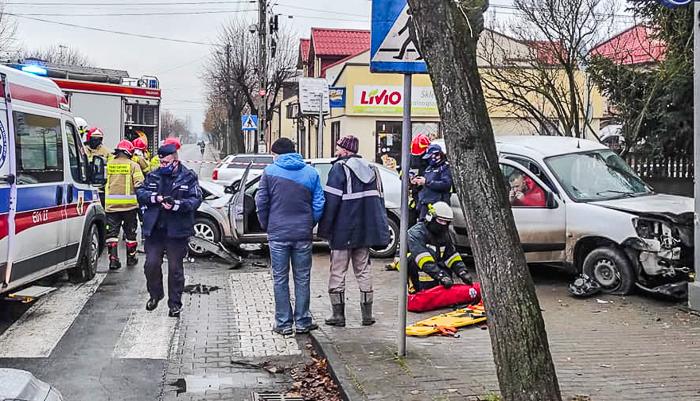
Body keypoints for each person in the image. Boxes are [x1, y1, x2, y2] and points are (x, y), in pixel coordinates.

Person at [318, 135, 390, 327]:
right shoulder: (372, 169)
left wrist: (324, 229)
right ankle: (367, 316)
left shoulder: (339, 168)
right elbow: (380, 202)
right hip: (365, 232)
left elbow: (331, 202)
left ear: (346, 151)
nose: (336, 150)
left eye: (338, 147)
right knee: (364, 270)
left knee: (338, 271)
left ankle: (338, 316)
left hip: (343, 231)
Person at [255, 138, 325, 336]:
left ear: (276, 154)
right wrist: (310, 222)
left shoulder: (269, 172)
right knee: (302, 278)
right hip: (302, 233)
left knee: (280, 278)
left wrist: (267, 224)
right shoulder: (311, 172)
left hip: (277, 233)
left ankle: (284, 324)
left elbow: (261, 201)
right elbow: (319, 202)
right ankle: (303, 321)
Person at [137, 138, 202, 317]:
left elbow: (195, 200)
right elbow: (141, 193)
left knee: (175, 269)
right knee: (150, 265)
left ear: (175, 161)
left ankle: (175, 304)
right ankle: (156, 294)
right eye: (161, 162)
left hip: (177, 231)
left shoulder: (188, 177)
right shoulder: (153, 175)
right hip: (155, 230)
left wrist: (176, 205)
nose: (163, 165)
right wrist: (155, 198)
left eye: (166, 162)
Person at [406, 202, 472, 293]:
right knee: (427, 258)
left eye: (446, 222)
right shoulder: (417, 233)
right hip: (410, 264)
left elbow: (451, 255)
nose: (443, 224)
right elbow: (423, 259)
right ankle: (421, 290)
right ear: (431, 217)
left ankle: (437, 290)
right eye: (440, 220)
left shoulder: (443, 234)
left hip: (430, 263)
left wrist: (462, 272)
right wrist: (441, 276)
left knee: (443, 266)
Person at [105, 140, 144, 270]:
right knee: (130, 234)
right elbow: (140, 184)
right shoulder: (133, 165)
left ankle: (113, 260)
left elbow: (101, 183)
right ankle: (131, 258)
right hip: (129, 207)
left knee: (112, 234)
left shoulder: (108, 164)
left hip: (111, 207)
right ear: (129, 152)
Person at [412, 144, 453, 219]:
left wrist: (426, 182)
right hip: (425, 205)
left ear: (437, 155)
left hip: (438, 205)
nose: (429, 160)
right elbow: (425, 184)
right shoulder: (429, 168)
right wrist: (418, 183)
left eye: (430, 157)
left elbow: (446, 185)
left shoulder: (444, 168)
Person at [85, 127, 113, 207]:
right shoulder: (83, 150)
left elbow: (110, 170)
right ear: (89, 138)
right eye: (94, 139)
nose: (96, 141)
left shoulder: (107, 152)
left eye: (98, 139)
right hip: (86, 186)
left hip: (100, 189)